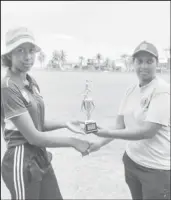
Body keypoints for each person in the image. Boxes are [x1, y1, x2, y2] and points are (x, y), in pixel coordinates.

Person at [1, 27, 90, 200]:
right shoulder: (8, 86)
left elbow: (37, 123)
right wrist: (73, 141)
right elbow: (33, 136)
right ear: (9, 54)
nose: (28, 57)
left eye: (31, 50)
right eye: (20, 50)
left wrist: (65, 123)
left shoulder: (30, 82)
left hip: (40, 156)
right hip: (21, 159)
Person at [87, 41, 170, 200]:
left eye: (149, 61)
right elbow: (120, 125)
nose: (144, 66)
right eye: (139, 61)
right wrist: (99, 143)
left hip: (156, 170)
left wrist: (106, 132)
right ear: (133, 63)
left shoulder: (163, 91)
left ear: (157, 63)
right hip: (132, 162)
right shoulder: (130, 91)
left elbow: (148, 131)